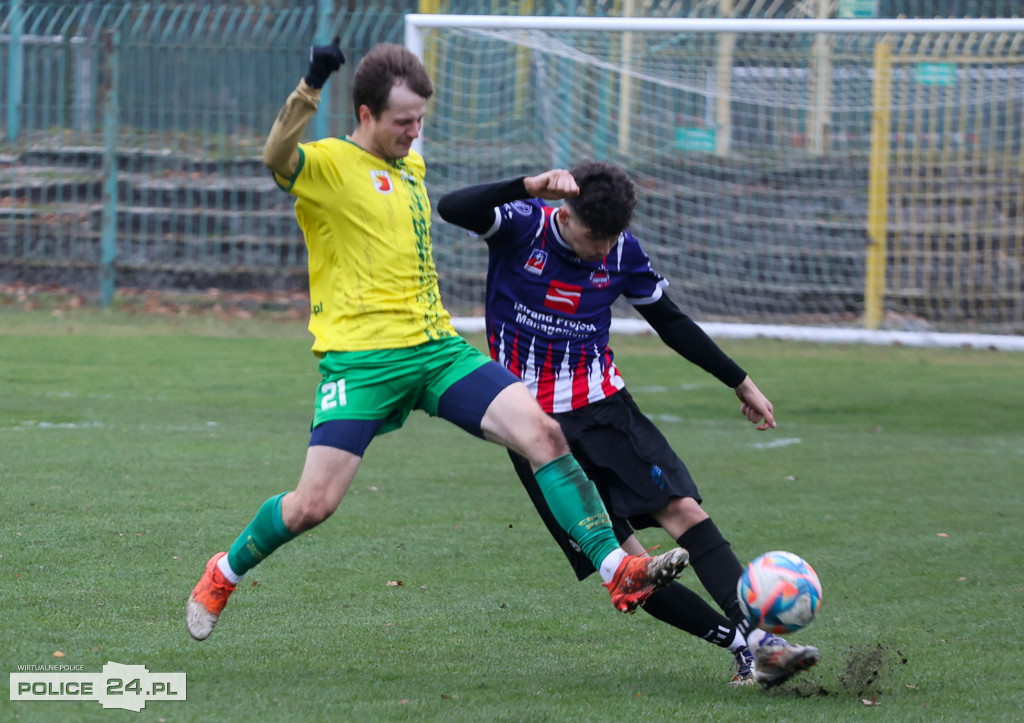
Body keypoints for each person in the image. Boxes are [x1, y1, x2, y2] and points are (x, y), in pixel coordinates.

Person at [185, 42, 690, 643]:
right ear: (367, 114)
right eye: (403, 121)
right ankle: (225, 569)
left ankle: (618, 570)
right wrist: (312, 82)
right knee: (312, 506)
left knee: (544, 434)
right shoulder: (324, 165)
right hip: (363, 362)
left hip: (436, 348)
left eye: (420, 119)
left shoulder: (410, 166)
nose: (414, 131)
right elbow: (275, 154)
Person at [436, 160, 821, 688]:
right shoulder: (521, 225)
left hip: (605, 411)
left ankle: (765, 643)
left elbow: (670, 322)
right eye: (596, 237)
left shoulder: (621, 250)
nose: (603, 250)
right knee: (627, 568)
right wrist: (527, 184)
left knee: (684, 510)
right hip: (530, 427)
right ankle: (743, 649)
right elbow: (453, 207)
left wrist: (739, 380)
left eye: (612, 237)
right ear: (564, 213)